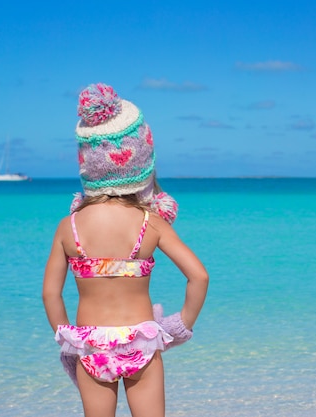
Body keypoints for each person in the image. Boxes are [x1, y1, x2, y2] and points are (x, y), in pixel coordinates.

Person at [42, 83, 209, 417]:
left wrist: (66, 335)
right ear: (141, 163)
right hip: (141, 343)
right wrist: (180, 325)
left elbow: (50, 294)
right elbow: (199, 277)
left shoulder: (69, 226)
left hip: (90, 345)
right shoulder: (150, 223)